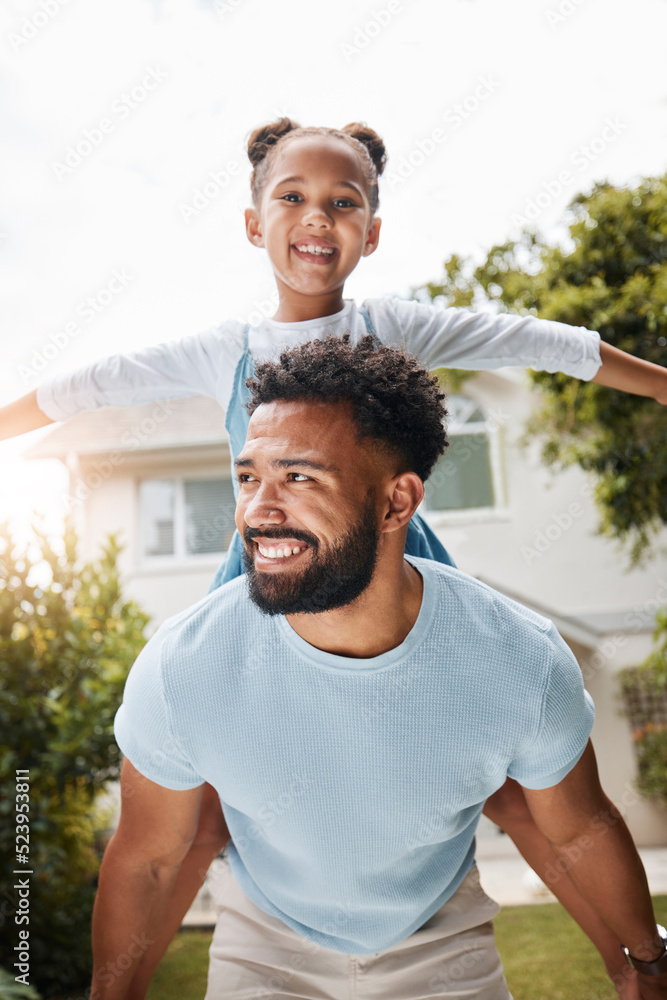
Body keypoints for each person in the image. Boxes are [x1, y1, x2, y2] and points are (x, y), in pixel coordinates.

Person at [3, 118, 667, 996]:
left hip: (390, 558)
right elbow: (87, 386)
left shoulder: (390, 326)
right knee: (197, 815)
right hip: (269, 574)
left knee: (508, 779)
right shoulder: (223, 351)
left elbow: (536, 341)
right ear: (252, 224)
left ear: (371, 232)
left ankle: (634, 956)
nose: (317, 218)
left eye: (342, 202)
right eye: (292, 197)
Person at [92, 334, 667, 1000]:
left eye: (299, 476)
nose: (257, 510)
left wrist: (646, 960)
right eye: (250, 477)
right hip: (266, 946)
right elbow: (148, 857)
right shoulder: (182, 665)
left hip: (440, 938)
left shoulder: (519, 660)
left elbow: (576, 828)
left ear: (397, 502)